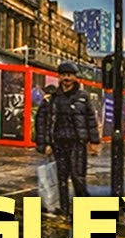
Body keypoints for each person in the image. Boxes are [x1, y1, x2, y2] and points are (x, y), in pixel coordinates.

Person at [34, 61, 101, 216]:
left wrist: (94, 142)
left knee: (78, 177)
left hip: (77, 143)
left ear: (75, 77)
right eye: (64, 75)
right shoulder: (52, 98)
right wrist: (43, 144)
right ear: (59, 77)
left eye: (69, 75)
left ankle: (84, 208)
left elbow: (91, 120)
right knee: (61, 178)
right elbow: (42, 121)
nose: (67, 78)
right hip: (58, 142)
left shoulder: (83, 97)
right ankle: (64, 209)